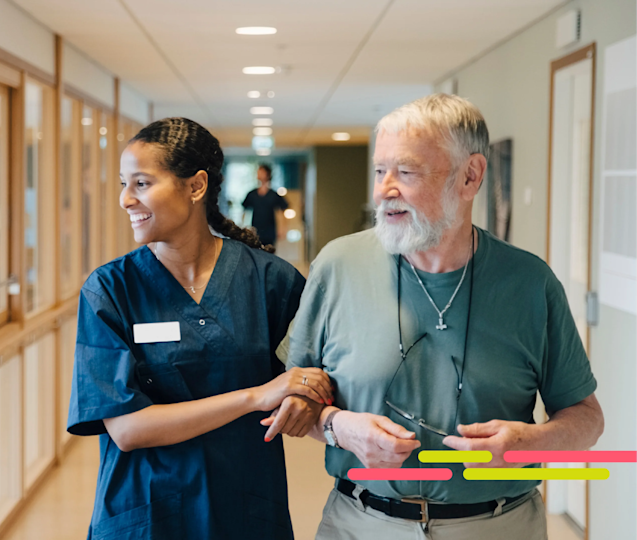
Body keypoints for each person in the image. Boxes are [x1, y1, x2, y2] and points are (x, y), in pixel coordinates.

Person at [271, 94, 603, 539]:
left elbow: (586, 417)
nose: (383, 190)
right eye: (379, 170)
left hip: (499, 524)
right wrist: (338, 427)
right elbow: (290, 400)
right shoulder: (338, 266)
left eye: (405, 172)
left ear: (470, 176)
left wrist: (530, 442)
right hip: (360, 522)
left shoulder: (530, 282)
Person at [67, 117, 333, 539]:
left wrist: (309, 401)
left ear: (195, 186)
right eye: (123, 183)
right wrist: (254, 397)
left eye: (141, 183)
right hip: (147, 514)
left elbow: (322, 376)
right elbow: (127, 428)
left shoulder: (271, 282)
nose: (124, 199)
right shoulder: (111, 289)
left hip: (244, 509)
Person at [241, 163, 289, 247]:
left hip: (270, 231)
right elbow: (244, 210)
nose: (258, 174)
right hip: (255, 231)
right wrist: (242, 228)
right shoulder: (252, 194)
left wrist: (283, 229)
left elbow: (282, 210)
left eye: (261, 172)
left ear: (267, 174)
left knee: (269, 252)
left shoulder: (273, 195)